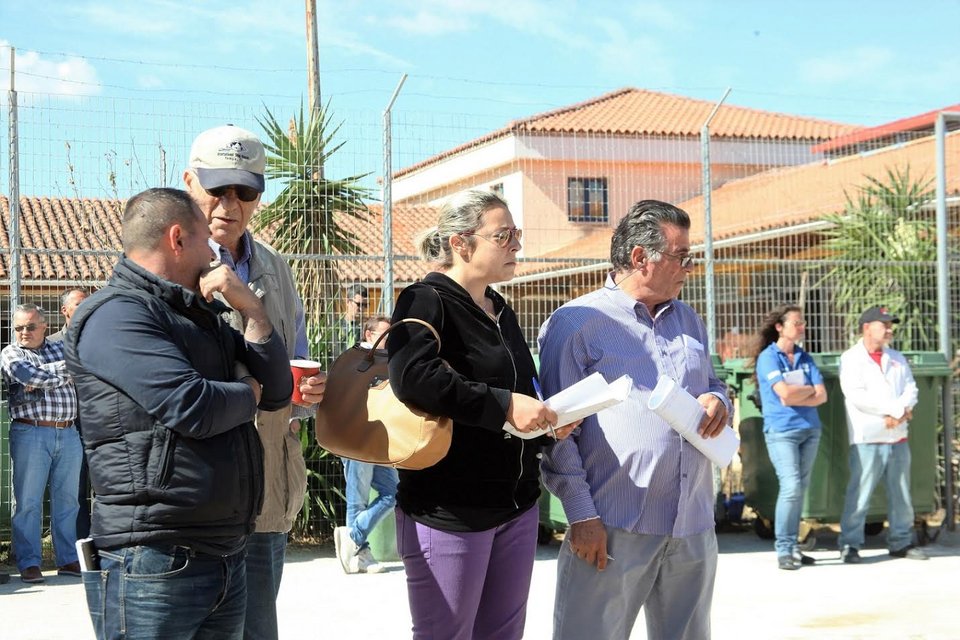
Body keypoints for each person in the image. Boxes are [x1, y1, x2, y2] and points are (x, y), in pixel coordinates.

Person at [64, 187, 302, 638]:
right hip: (153, 557)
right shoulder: (115, 316)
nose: (215, 258)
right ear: (178, 239)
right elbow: (193, 406)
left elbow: (277, 391)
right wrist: (246, 391)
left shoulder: (198, 315)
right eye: (203, 244)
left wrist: (250, 307)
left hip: (222, 552)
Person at [386, 189, 576, 639]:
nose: (516, 245)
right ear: (461, 243)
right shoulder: (425, 299)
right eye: (503, 235)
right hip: (450, 507)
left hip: (516, 505)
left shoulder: (501, 310)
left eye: (517, 235)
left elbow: (521, 390)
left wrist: (551, 423)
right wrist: (504, 404)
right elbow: (413, 377)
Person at [538, 199, 731, 640]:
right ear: (641, 258)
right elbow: (558, 433)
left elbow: (715, 384)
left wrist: (720, 401)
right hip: (611, 526)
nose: (689, 267)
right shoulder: (576, 324)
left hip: (692, 523)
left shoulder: (689, 319)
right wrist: (582, 517)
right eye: (682, 256)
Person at [183, 124, 318, 640]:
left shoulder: (276, 268)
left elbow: (295, 355)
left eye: (245, 191)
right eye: (217, 188)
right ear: (189, 182)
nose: (230, 204)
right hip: (199, 491)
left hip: (267, 485)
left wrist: (308, 392)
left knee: (261, 626)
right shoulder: (170, 266)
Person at [837, 305, 927, 563]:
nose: (889, 330)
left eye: (890, 325)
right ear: (867, 327)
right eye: (883, 325)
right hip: (868, 436)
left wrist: (900, 411)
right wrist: (895, 409)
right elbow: (857, 396)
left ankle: (901, 541)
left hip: (897, 435)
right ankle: (850, 545)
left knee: (901, 494)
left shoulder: (896, 357)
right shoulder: (851, 358)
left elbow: (911, 388)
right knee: (860, 494)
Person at [1, 303, 82, 584]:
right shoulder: (11, 352)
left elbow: (79, 368)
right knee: (27, 502)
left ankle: (68, 559)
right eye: (19, 327)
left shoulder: (62, 347)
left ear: (45, 326)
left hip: (69, 433)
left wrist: (45, 373)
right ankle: (29, 562)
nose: (24, 332)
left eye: (30, 326)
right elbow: (27, 376)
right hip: (30, 432)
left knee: (69, 501)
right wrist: (60, 373)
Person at [752, 304, 827, 570]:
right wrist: (806, 391)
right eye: (797, 322)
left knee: (799, 491)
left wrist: (799, 393)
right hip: (782, 431)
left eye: (802, 322)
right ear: (780, 327)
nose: (802, 327)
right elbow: (784, 393)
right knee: (792, 487)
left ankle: (794, 547)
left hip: (810, 430)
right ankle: (784, 548)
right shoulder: (768, 358)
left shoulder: (805, 358)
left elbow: (823, 395)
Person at [334, 315, 399, 575]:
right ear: (369, 335)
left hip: (377, 440)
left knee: (393, 492)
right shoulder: (355, 360)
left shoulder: (387, 364)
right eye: (384, 334)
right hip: (354, 438)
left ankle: (352, 538)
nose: (389, 340)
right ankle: (359, 553)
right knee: (357, 500)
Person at [47, 288, 93, 540]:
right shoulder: (51, 344)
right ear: (64, 310)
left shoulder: (102, 338)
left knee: (108, 489)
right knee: (73, 492)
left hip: (100, 422)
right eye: (78, 304)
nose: (85, 308)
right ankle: (78, 550)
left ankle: (106, 547)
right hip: (66, 427)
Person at [338, 283, 368, 353]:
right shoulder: (337, 325)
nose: (361, 308)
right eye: (358, 304)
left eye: (365, 305)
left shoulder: (366, 326)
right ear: (348, 302)